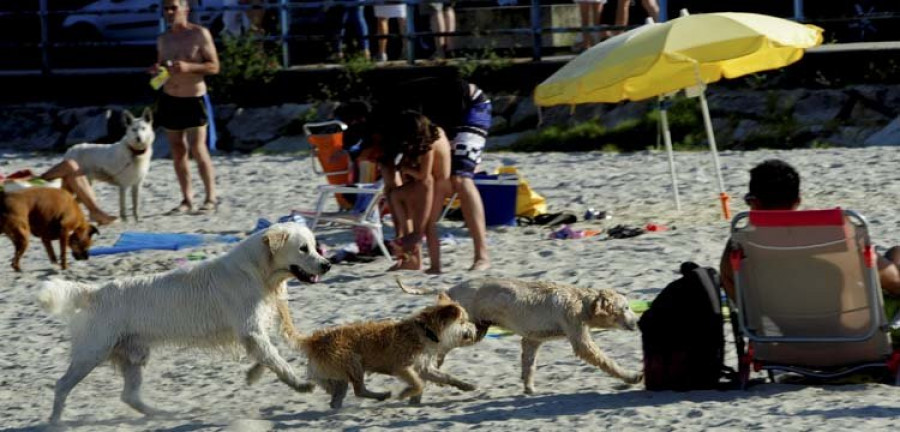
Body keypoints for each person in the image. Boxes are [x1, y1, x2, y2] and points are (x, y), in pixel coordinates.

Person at [719, 159, 900, 304]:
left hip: (775, 340)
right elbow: (894, 282)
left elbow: (736, 294)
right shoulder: (836, 234)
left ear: (754, 203)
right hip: (854, 339)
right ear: (797, 201)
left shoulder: (740, 246)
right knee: (896, 254)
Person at [376, 77, 492, 271]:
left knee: (461, 178)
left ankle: (482, 255)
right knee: (409, 185)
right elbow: (395, 182)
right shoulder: (392, 129)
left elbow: (425, 178)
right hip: (437, 118)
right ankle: (413, 259)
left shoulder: (399, 112)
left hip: (469, 106)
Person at [153, 0, 220, 214]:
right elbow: (162, 66)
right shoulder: (164, 39)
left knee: (197, 148)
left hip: (193, 97)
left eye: (174, 8)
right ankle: (186, 199)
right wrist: (158, 71)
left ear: (185, 9)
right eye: (166, 9)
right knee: (177, 150)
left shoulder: (199, 34)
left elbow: (214, 66)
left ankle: (210, 197)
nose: (170, 13)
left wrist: (189, 66)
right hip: (170, 97)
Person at [380, 111, 452, 273]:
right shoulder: (429, 136)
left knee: (429, 226)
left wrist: (406, 169)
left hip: (437, 184)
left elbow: (424, 175)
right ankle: (410, 253)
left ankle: (435, 265)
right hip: (426, 184)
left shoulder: (429, 145)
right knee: (396, 195)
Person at [39, 160, 117, 226]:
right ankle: (94, 211)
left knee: (71, 169)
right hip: (30, 191)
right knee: (69, 166)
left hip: (33, 185)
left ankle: (93, 211)